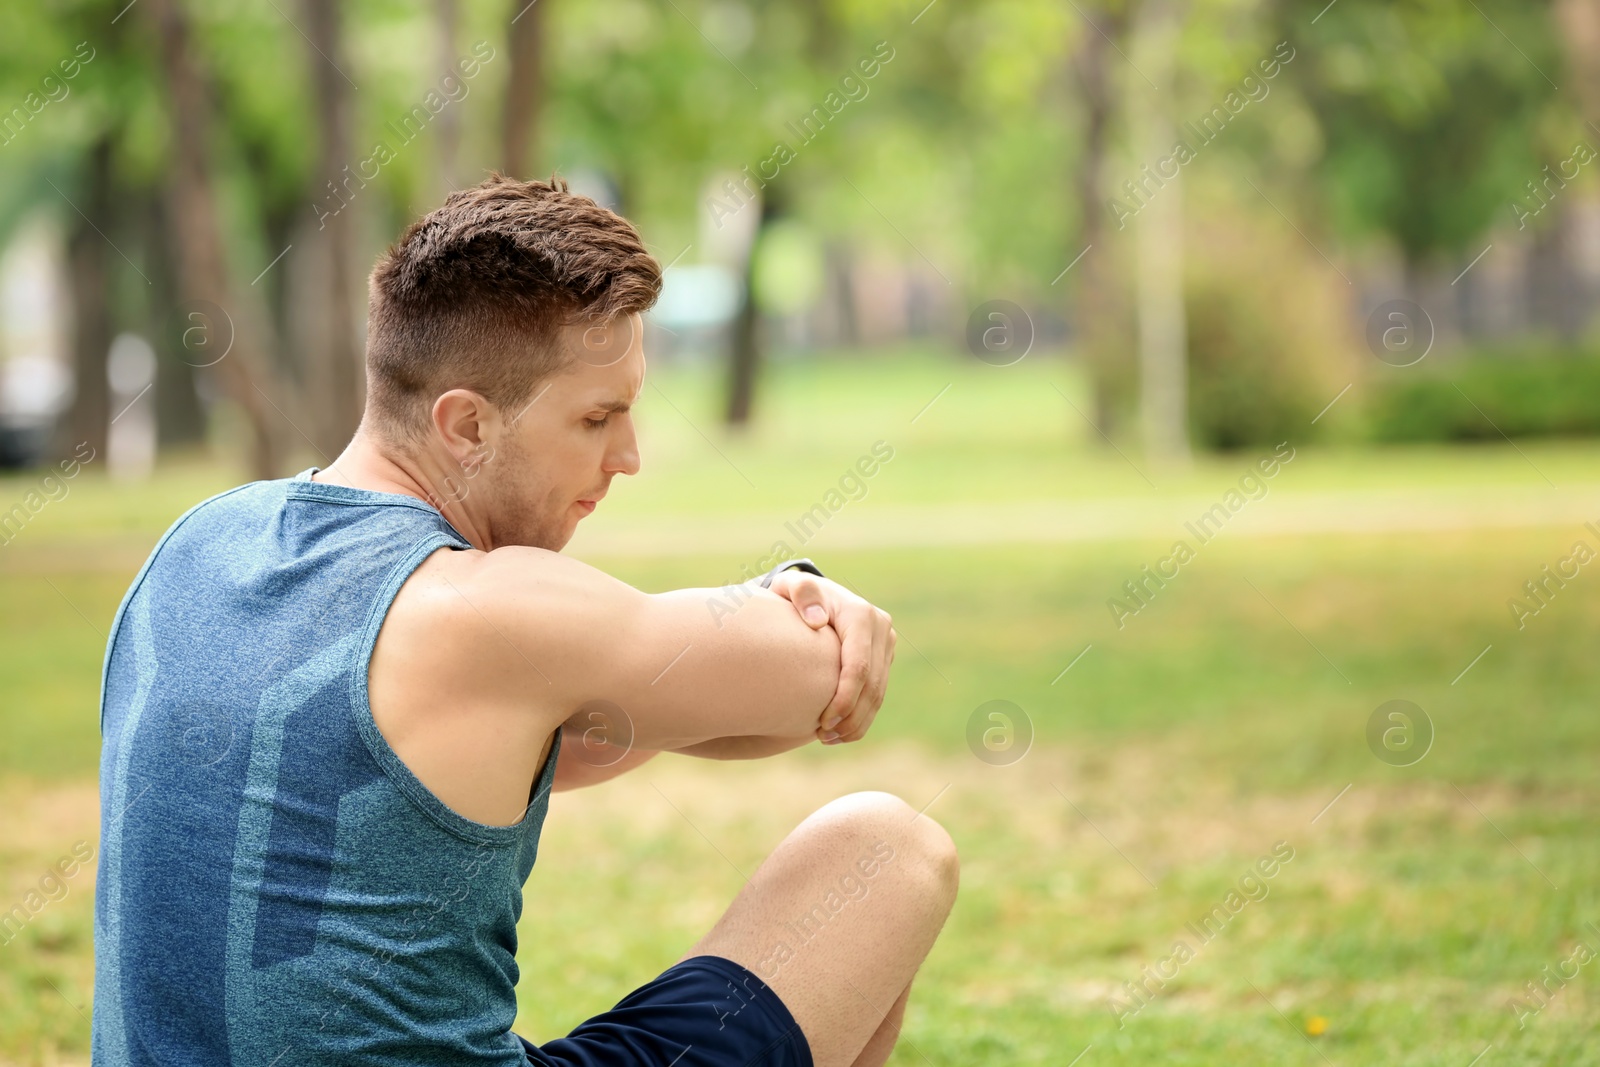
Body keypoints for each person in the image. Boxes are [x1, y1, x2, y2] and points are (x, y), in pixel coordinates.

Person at [92, 173, 959, 1067]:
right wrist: (803, 589)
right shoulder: (489, 606)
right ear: (466, 424)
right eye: (597, 417)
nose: (627, 456)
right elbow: (818, 677)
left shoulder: (192, 546)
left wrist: (649, 678)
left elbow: (552, 739)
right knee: (886, 850)